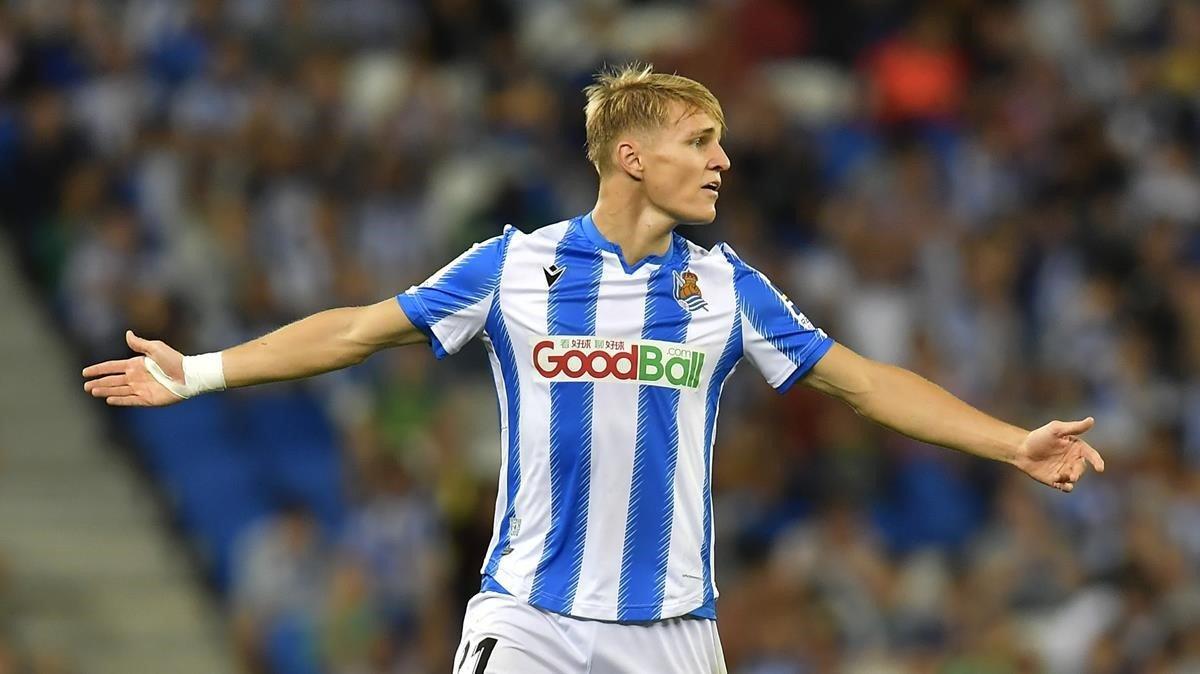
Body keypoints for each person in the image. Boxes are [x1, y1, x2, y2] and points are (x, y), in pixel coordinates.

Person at [82, 63, 1105, 673]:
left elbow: (867, 379)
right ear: (630, 156)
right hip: (531, 619)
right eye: (701, 141)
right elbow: (356, 329)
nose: (721, 161)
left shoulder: (728, 286)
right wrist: (202, 370)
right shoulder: (516, 266)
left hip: (671, 633)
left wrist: (1010, 439)